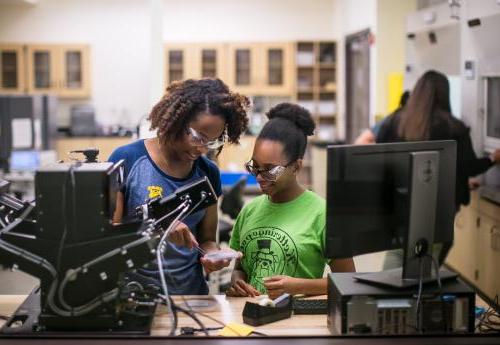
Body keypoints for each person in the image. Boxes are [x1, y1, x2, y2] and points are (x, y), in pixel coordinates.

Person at [108, 78, 249, 294]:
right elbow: (107, 239)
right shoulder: (127, 159)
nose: (202, 149)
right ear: (175, 121)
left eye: (212, 141)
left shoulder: (208, 172)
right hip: (135, 297)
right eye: (197, 137)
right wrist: (159, 227)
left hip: (190, 295)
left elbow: (208, 239)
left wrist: (211, 255)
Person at [226, 103, 355, 299]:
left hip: (298, 321)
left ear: (296, 167)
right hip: (250, 319)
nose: (259, 177)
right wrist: (237, 281)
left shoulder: (323, 214)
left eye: (270, 170)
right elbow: (241, 268)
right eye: (255, 166)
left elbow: (348, 281)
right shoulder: (249, 211)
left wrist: (298, 286)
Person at [376, 70, 500, 268]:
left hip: (399, 209)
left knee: (398, 257)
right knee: (427, 263)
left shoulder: (394, 122)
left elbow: (383, 162)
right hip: (437, 211)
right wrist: (493, 158)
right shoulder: (453, 127)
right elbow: (468, 166)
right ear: (444, 94)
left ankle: (391, 295)